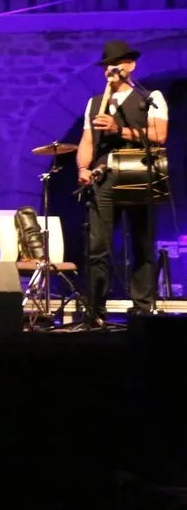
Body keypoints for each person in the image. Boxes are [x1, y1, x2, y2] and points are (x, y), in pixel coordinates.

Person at [76, 41, 168, 321]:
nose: (108, 71)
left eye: (115, 65)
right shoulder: (94, 103)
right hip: (103, 175)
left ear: (129, 66)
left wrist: (120, 130)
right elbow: (88, 140)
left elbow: (158, 135)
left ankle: (142, 308)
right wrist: (82, 166)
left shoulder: (150, 97)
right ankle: (96, 309)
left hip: (138, 173)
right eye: (105, 66)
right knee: (98, 245)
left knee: (141, 243)